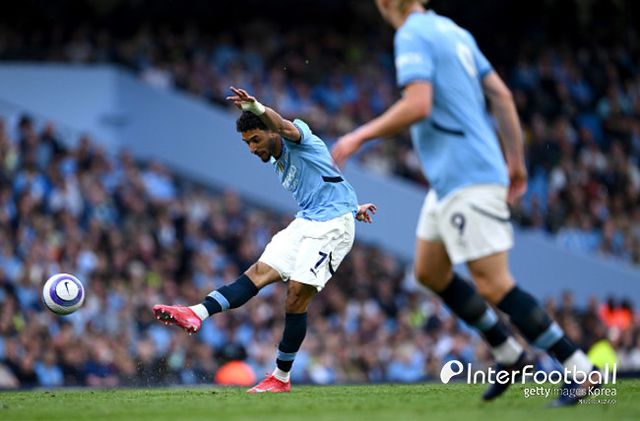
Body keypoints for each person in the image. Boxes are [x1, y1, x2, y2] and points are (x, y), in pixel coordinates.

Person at [332, 0, 598, 406]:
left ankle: (579, 367)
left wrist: (358, 136)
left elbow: (418, 104)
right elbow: (501, 96)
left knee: (494, 283)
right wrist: (516, 163)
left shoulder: (411, 33)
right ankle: (508, 353)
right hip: (451, 181)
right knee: (429, 270)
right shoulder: (453, 31)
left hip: (467, 176)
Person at [153, 86, 376, 393]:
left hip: (332, 226)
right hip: (307, 221)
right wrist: (354, 205)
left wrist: (256, 108)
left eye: (255, 139)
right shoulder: (277, 159)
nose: (251, 148)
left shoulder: (297, 137)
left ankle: (280, 377)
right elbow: (326, 175)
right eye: (247, 143)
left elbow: (282, 124)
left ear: (270, 132)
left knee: (296, 293)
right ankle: (196, 312)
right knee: (258, 273)